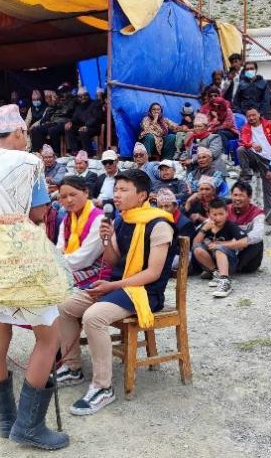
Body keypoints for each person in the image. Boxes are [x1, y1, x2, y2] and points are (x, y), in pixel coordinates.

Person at [0, 105, 69, 449]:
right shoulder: (29, 163)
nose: (28, 138)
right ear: (17, 133)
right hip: (22, 255)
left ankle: (7, 420)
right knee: (48, 337)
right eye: (25, 132)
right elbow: (39, 212)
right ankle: (28, 426)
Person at [56, 169, 175, 415]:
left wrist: (111, 286)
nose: (117, 195)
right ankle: (72, 366)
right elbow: (112, 262)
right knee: (65, 306)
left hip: (144, 292)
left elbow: (153, 273)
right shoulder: (123, 219)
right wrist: (107, 241)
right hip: (119, 285)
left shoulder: (159, 224)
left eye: (124, 190)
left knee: (93, 316)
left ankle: (103, 387)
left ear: (142, 195)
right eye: (116, 189)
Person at [194, 198, 253, 297]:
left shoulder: (230, 226)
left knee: (219, 249)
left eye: (221, 214)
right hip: (212, 263)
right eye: (215, 214)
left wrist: (221, 245)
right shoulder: (206, 226)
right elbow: (195, 244)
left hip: (229, 262)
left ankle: (225, 281)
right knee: (197, 249)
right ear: (209, 215)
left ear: (227, 213)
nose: (218, 217)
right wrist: (204, 229)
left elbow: (245, 241)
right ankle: (216, 274)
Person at [56, 175, 107, 289]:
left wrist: (53, 264)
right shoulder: (67, 220)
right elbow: (60, 249)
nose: (69, 200)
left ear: (86, 193)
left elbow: (85, 259)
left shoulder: (100, 220)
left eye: (73, 194)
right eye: (64, 196)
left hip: (94, 271)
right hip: (68, 266)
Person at [238, 108, 271, 217]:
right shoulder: (246, 128)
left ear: (259, 114)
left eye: (253, 115)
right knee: (241, 150)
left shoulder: (270, 125)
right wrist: (252, 144)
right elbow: (244, 141)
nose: (251, 118)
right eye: (249, 116)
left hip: (270, 160)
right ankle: (247, 173)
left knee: (268, 188)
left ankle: (268, 215)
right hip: (255, 157)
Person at [156, 188, 195, 270]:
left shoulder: (186, 223)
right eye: (160, 207)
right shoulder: (156, 219)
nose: (163, 210)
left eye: (167, 206)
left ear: (175, 206)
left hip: (179, 254)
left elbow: (181, 248)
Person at [65, 88, 103, 156]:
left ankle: (88, 153)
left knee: (82, 131)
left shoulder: (95, 104)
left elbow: (96, 118)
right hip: (82, 126)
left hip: (94, 127)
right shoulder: (79, 107)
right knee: (69, 128)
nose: (83, 98)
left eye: (85, 95)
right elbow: (75, 118)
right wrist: (70, 122)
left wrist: (87, 126)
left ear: (88, 95)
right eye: (80, 96)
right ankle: (75, 151)